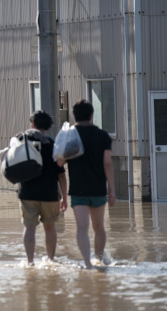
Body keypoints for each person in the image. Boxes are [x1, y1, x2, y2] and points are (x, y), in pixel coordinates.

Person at [57, 99, 116, 268]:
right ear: (91, 115)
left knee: (82, 228)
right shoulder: (103, 135)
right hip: (98, 189)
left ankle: (87, 263)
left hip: (78, 190)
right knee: (99, 227)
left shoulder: (70, 135)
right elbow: (107, 163)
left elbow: (60, 163)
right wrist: (111, 189)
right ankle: (98, 258)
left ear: (74, 116)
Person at [17, 110, 68, 266]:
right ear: (48, 127)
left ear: (32, 123)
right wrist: (64, 197)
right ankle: (50, 261)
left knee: (29, 227)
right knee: (50, 227)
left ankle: (30, 262)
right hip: (50, 193)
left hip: (27, 193)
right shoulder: (53, 145)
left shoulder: (21, 140)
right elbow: (61, 174)